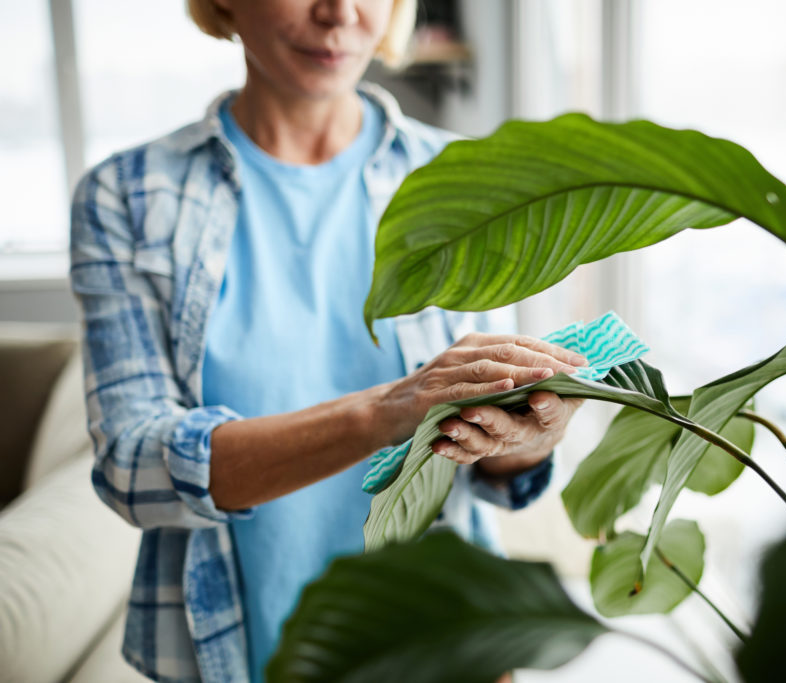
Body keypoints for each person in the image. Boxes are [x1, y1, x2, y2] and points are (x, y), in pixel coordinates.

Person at [69, 1, 584, 681]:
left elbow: (490, 469)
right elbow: (133, 466)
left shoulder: (465, 181)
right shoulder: (127, 197)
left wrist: (528, 437)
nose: (339, 13)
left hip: (444, 642)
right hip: (234, 652)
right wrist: (385, 411)